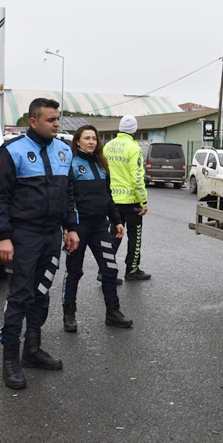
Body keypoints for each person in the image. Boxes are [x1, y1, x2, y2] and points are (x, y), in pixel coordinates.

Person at [0, 98, 79, 390]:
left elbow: (69, 196)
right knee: (20, 296)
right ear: (33, 121)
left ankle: (32, 349)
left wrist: (71, 228)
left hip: (52, 236)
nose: (57, 124)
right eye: (51, 120)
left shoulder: (65, 150)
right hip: (23, 236)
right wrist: (3, 235)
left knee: (41, 293)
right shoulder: (12, 151)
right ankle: (10, 360)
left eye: (58, 119)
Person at [61, 125, 133, 331]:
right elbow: (68, 199)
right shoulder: (72, 165)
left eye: (94, 138)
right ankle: (69, 314)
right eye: (87, 138)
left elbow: (108, 197)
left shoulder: (102, 165)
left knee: (110, 270)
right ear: (77, 141)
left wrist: (117, 220)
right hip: (78, 228)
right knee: (74, 271)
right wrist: (69, 227)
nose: (92, 142)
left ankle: (113, 312)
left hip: (101, 227)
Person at [103, 115, 151, 281]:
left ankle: (105, 271)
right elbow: (137, 178)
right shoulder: (133, 148)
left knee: (114, 235)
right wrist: (143, 202)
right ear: (135, 130)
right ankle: (132, 269)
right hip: (131, 201)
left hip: (112, 201)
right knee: (135, 236)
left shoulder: (107, 147)